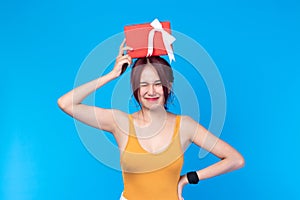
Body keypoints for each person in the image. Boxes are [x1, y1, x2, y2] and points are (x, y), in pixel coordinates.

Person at [57, 39, 245, 200]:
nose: (151, 91)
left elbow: (235, 159)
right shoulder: (119, 122)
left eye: (158, 84)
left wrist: (189, 178)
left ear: (168, 86)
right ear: (135, 88)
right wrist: (112, 75)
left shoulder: (185, 125)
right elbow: (66, 103)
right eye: (144, 84)